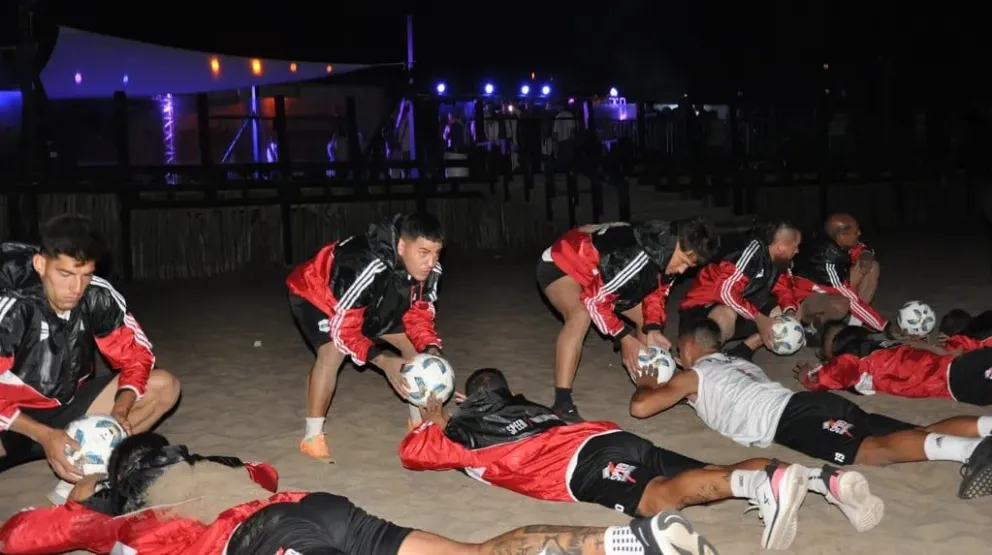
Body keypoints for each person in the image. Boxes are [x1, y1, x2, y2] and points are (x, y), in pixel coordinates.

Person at [0, 431, 719, 555]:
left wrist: (92, 494)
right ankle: (630, 540)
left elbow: (20, 536)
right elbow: (265, 473)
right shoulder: (221, 467)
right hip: (324, 509)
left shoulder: (124, 506)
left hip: (254, 538)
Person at [399, 368, 877, 551]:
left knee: (656, 502)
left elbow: (413, 454)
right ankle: (821, 479)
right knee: (705, 475)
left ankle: (762, 488)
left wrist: (430, 415)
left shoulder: (463, 435)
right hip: (611, 436)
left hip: (581, 468)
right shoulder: (530, 407)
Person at [629, 319, 992, 500]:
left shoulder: (693, 375)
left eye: (679, 349)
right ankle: (986, 428)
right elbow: (745, 349)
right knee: (914, 433)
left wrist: (647, 379)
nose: (676, 357)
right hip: (815, 404)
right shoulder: (736, 364)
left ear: (690, 345)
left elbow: (642, 408)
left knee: (872, 452)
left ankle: (972, 450)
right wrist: (759, 333)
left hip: (791, 419)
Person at [0, 214, 181, 503]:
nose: (76, 288)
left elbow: (138, 356)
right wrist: (44, 436)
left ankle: (88, 473)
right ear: (40, 264)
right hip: (10, 420)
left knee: (164, 386)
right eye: (66, 274)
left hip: (70, 409)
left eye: (85, 274)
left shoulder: (97, 296)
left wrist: (121, 408)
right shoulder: (11, 306)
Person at [286, 213, 445, 462]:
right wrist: (382, 362)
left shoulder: (431, 269)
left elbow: (418, 315)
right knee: (332, 351)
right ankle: (312, 437)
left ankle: (417, 425)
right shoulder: (367, 264)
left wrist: (430, 347)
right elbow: (345, 331)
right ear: (402, 246)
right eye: (423, 252)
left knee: (418, 350)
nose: (430, 262)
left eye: (436, 253)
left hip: (369, 302)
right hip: (317, 293)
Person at [537, 218, 718, 422]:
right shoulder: (636, 257)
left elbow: (655, 293)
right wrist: (624, 337)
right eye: (683, 262)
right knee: (580, 314)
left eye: (689, 267)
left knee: (647, 323)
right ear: (676, 243)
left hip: (601, 277)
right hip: (563, 264)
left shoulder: (667, 255)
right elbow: (594, 301)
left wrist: (654, 328)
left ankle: (647, 385)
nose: (683, 271)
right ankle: (562, 403)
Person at [677, 221, 803, 360]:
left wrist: (790, 310)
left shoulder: (780, 260)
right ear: (781, 247)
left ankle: (743, 350)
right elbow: (726, 293)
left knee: (780, 311)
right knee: (725, 313)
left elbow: (784, 288)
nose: (797, 251)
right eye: (795, 246)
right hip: (701, 311)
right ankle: (705, 358)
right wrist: (759, 318)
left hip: (739, 307)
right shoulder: (749, 253)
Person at [795, 322, 992, 407]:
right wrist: (809, 377)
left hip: (956, 376)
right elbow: (835, 374)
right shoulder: (857, 354)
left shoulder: (878, 347)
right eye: (834, 338)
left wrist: (928, 344)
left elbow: (936, 353)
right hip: (954, 375)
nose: (841, 334)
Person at [791, 213, 888, 333]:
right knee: (841, 305)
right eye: (856, 231)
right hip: (806, 298)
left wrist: (866, 253)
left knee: (872, 266)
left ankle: (853, 326)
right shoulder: (825, 260)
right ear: (842, 236)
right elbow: (849, 298)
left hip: (829, 288)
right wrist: (884, 326)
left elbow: (857, 247)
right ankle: (811, 329)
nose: (859, 234)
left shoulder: (833, 239)